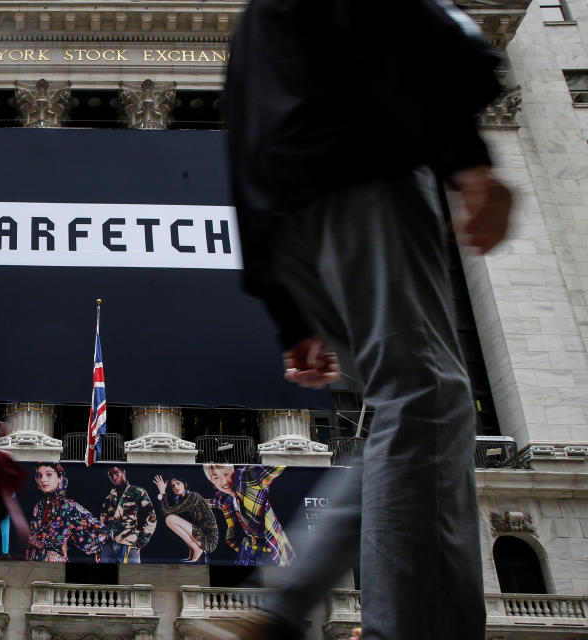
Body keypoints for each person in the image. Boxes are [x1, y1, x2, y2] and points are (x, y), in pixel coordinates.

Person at [210, 0, 514, 638]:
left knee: (406, 411)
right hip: (360, 175)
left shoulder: (254, 26)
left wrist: (288, 310)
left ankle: (284, 605)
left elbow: (238, 152)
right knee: (427, 395)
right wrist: (467, 157)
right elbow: (393, 27)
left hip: (291, 223)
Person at [203, 464, 294, 567]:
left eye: (226, 474)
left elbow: (274, 467)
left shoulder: (246, 482)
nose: (224, 481)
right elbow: (207, 502)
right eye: (216, 477)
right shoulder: (225, 499)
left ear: (234, 472)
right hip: (248, 548)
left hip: (272, 547)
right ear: (213, 483)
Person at [27, 462, 109, 561]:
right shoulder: (39, 505)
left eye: (48, 474)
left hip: (55, 565)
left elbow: (103, 532)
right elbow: (33, 539)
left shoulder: (67, 505)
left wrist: (72, 539)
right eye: (40, 476)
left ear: (60, 477)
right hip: (34, 562)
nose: (43, 479)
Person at [152, 473, 218, 563]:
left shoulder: (193, 497)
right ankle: (194, 549)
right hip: (201, 536)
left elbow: (166, 512)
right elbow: (166, 512)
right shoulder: (181, 500)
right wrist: (162, 494)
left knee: (170, 518)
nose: (176, 487)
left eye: (178, 483)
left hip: (208, 541)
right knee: (170, 519)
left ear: (185, 484)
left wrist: (162, 492)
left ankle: (197, 549)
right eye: (173, 486)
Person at [98, 465, 157, 564]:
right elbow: (102, 520)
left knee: (130, 577)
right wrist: (100, 545)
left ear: (124, 472)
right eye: (110, 475)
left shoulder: (138, 491)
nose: (114, 477)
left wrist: (141, 541)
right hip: (108, 545)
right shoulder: (109, 496)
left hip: (129, 544)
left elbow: (151, 517)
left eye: (116, 473)